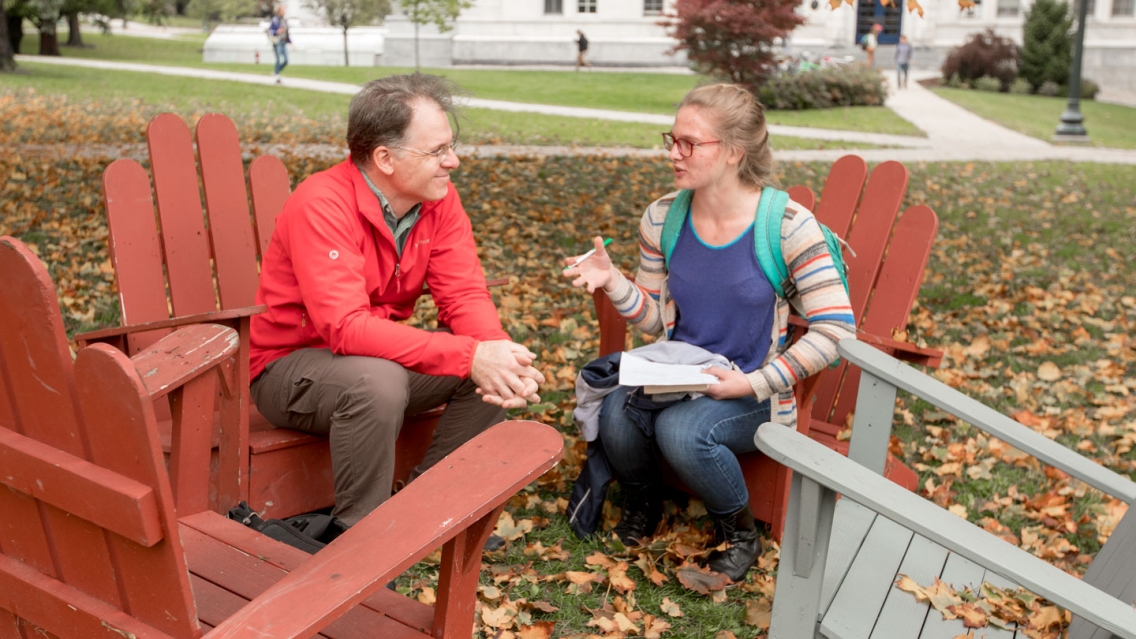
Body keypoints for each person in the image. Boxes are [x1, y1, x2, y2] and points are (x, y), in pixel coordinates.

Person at [563, 83, 855, 582]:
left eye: (689, 144)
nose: (674, 154)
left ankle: (740, 535)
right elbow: (655, 320)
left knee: (683, 431)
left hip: (755, 388)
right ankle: (643, 505)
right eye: (671, 139)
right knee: (615, 412)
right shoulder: (663, 217)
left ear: (734, 153)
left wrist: (751, 384)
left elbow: (836, 330)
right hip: (680, 374)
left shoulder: (786, 226)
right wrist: (614, 281)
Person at [249, 73, 545, 529]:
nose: (454, 161)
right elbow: (345, 327)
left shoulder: (436, 200)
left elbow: (463, 292)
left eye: (451, 145)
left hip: (373, 359)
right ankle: (360, 533)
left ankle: (426, 515)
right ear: (384, 158)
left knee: (493, 364)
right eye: (437, 151)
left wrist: (494, 351)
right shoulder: (322, 203)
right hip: (288, 369)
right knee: (382, 380)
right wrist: (469, 354)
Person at [267, 5, 290, 84]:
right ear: (279, 11)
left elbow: (287, 33)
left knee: (286, 60)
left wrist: (290, 41)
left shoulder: (285, 20)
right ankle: (277, 76)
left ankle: (276, 71)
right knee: (278, 59)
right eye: (283, 10)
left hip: (284, 42)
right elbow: (270, 31)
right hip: (278, 42)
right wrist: (277, 32)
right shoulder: (275, 20)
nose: (285, 12)